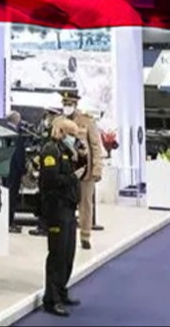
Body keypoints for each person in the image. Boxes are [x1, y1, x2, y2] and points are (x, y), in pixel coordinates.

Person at [37, 118, 85, 317]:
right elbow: (51, 180)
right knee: (57, 254)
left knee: (68, 254)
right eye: (72, 134)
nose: (74, 138)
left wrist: (82, 157)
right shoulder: (51, 150)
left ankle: (62, 291)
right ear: (62, 132)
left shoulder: (66, 150)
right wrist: (73, 177)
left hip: (69, 207)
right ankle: (51, 299)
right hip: (56, 208)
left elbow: (77, 169)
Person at [66, 94, 103, 250]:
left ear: (75, 104)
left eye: (69, 103)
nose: (67, 106)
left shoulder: (87, 120)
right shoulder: (60, 121)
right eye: (65, 103)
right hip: (66, 171)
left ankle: (85, 235)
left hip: (85, 171)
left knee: (85, 204)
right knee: (66, 204)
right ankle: (67, 235)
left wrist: (97, 169)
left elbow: (95, 146)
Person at [2, 111, 28, 233]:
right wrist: (23, 170)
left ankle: (7, 223)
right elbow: (18, 155)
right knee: (11, 198)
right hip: (14, 171)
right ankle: (9, 223)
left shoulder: (4, 131)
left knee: (7, 197)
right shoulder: (15, 135)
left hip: (5, 170)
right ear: (17, 120)